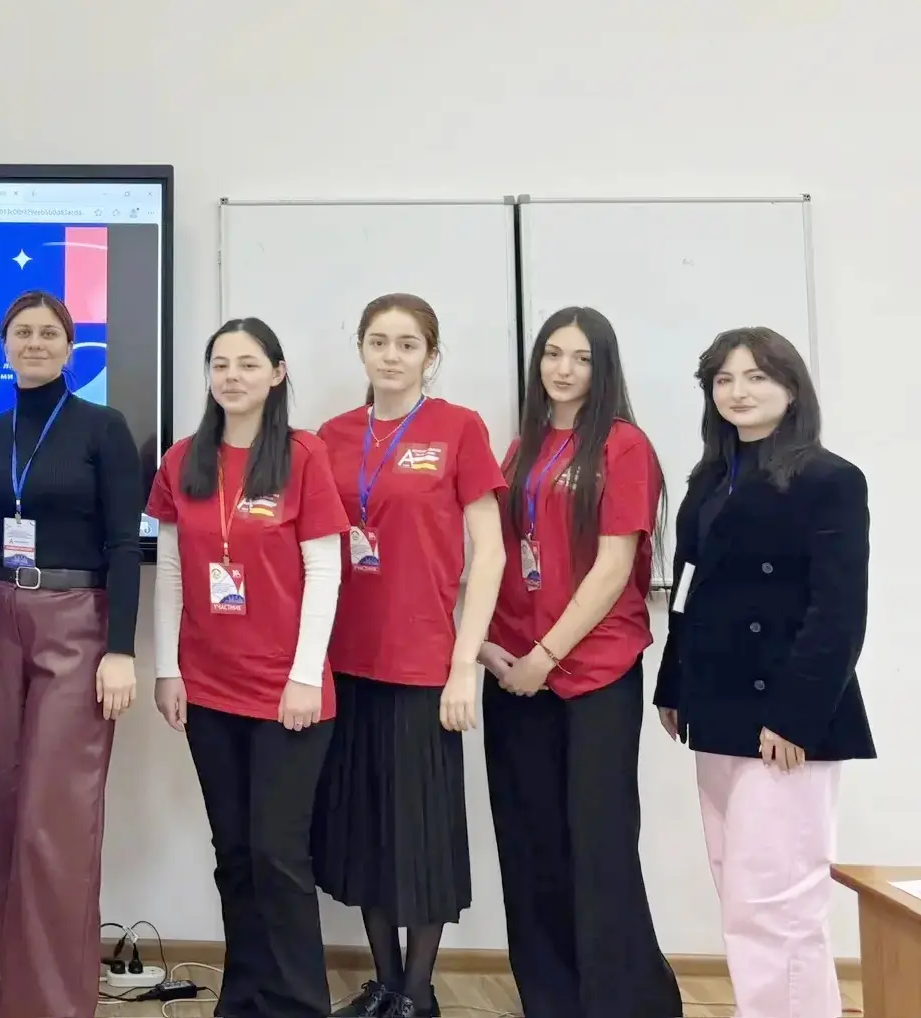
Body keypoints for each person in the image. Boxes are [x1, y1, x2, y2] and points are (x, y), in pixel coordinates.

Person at [652, 327, 872, 1018]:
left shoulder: (830, 479)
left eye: (755, 377)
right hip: (716, 709)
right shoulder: (710, 478)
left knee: (779, 903)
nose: (738, 392)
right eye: (723, 379)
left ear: (791, 387)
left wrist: (794, 718)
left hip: (786, 720)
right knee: (741, 895)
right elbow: (689, 590)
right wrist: (673, 685)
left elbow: (838, 614)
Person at [0, 290, 143, 1018]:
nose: (34, 342)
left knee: (54, 822)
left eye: (48, 332)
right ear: (4, 345)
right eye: (22, 332)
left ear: (69, 346)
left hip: (77, 622)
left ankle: (60, 1005)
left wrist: (120, 650)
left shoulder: (103, 428)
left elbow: (124, 544)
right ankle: (15, 1001)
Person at [479, 307, 681, 1018]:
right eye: (552, 354)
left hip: (592, 671)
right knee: (530, 843)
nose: (563, 369)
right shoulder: (520, 449)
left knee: (599, 846)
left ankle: (626, 1004)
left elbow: (613, 568)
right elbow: (497, 555)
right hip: (513, 672)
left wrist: (546, 655)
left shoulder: (623, 446)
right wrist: (487, 646)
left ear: (604, 368)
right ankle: (551, 1001)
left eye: (581, 357)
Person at [313, 295, 507, 1018]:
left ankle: (418, 993)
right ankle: (385, 983)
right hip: (345, 663)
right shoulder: (331, 437)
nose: (390, 356)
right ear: (361, 349)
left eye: (406, 343)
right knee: (365, 831)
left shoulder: (459, 429)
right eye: (378, 341)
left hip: (425, 666)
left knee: (421, 837)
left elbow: (490, 552)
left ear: (431, 354)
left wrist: (464, 667)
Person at [147, 319, 347, 1018]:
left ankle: (298, 1005)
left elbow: (325, 570)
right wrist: (168, 669)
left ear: (277, 374)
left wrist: (305, 674)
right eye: (220, 364)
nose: (232, 376)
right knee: (233, 851)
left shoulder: (302, 455)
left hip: (287, 690)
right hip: (208, 686)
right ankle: (243, 999)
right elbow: (170, 571)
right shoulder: (182, 460)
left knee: (277, 855)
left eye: (248, 363)